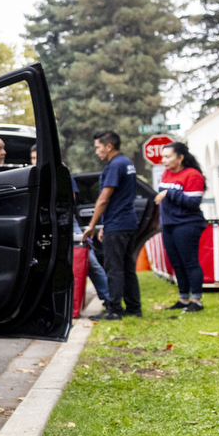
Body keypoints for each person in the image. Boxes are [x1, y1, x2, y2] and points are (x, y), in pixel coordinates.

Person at [32, 143, 110, 305]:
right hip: (41, 224)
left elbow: (70, 200)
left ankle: (109, 299)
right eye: (32, 158)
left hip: (66, 223)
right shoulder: (30, 176)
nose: (34, 161)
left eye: (37, 157)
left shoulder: (61, 173)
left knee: (90, 262)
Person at [81, 130, 140, 320]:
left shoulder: (115, 165)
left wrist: (92, 225)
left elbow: (104, 198)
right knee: (127, 267)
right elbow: (121, 198)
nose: (97, 151)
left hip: (118, 223)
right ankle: (133, 307)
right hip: (127, 222)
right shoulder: (127, 162)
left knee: (114, 268)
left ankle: (114, 310)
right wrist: (104, 225)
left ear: (109, 146)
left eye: (98, 147)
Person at [155, 142, 207, 312]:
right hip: (169, 225)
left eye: (168, 156)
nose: (164, 160)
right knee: (176, 263)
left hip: (187, 224)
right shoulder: (167, 173)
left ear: (180, 157)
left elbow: (193, 202)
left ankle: (197, 301)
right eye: (163, 156)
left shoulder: (193, 175)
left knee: (190, 262)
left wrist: (170, 193)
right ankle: (183, 299)